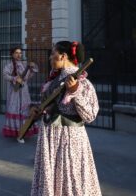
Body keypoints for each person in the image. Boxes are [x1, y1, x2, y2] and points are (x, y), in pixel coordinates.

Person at [31, 41, 101, 196]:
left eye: (52, 53)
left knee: (70, 180)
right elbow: (50, 107)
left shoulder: (82, 81)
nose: (50, 58)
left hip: (68, 140)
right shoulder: (52, 81)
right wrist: (40, 112)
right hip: (50, 138)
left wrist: (75, 92)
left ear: (62, 56)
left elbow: (90, 115)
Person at [2, 46, 39, 143]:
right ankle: (19, 134)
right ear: (12, 54)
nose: (19, 55)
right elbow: (5, 75)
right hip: (14, 92)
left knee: (25, 110)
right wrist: (14, 78)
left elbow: (29, 75)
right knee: (15, 109)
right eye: (16, 53)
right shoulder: (9, 66)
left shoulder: (23, 64)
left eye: (20, 53)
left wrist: (31, 67)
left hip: (24, 91)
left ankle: (24, 130)